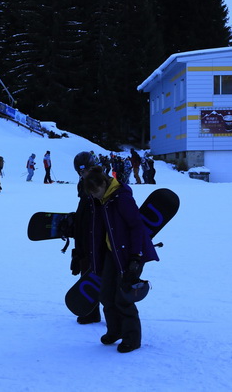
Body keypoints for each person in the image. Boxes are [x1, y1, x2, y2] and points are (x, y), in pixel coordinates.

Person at [80, 165, 159, 353]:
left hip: (130, 253)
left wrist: (135, 257)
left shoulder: (121, 198)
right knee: (106, 294)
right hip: (112, 252)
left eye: (96, 191)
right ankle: (115, 331)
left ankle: (132, 338)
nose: (95, 196)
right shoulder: (102, 200)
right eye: (91, 194)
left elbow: (137, 227)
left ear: (104, 184)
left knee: (123, 297)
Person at [70, 151, 101, 324]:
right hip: (85, 235)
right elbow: (84, 209)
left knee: (100, 274)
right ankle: (91, 311)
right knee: (86, 270)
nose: (84, 174)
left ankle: (115, 318)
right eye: (81, 171)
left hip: (97, 236)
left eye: (86, 170)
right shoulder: (83, 183)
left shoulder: (101, 182)